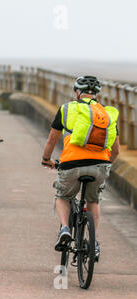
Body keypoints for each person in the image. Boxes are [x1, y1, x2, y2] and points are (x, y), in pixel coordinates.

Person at [41, 76, 120, 260]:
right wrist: (105, 165)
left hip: (71, 164)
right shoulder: (106, 114)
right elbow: (115, 150)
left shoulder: (67, 109)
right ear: (97, 94)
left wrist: (46, 159)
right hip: (100, 165)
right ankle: (93, 242)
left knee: (63, 196)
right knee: (93, 201)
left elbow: (52, 139)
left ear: (77, 92)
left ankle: (65, 229)